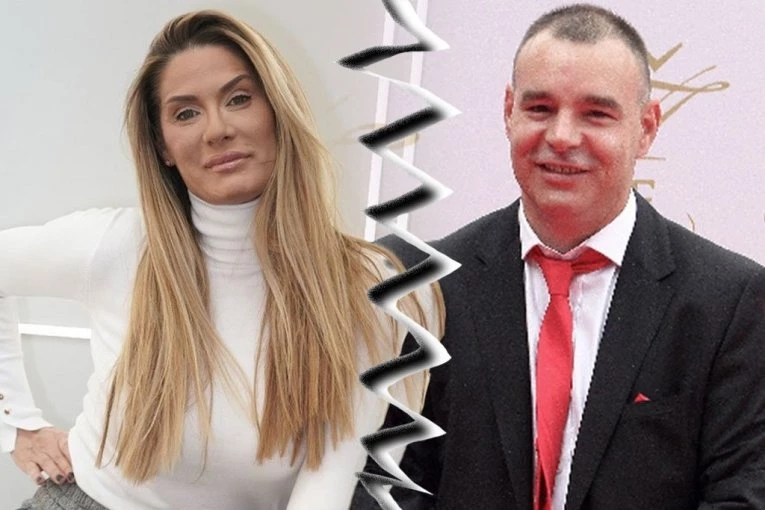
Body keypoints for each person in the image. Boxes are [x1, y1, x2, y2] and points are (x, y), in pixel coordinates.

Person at [0, 10, 440, 510]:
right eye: (186, 113)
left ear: (278, 111)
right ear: (163, 146)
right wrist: (15, 425)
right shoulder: (118, 246)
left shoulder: (366, 287)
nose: (217, 129)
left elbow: (329, 481)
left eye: (238, 99)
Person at [352, 3, 765, 509]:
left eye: (596, 114)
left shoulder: (730, 302)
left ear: (647, 127)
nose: (562, 137)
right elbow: (382, 482)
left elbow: (744, 492)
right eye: (540, 109)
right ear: (509, 111)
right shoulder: (421, 286)